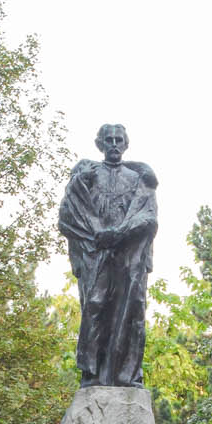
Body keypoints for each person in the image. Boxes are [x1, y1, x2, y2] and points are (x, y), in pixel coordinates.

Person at [58, 123, 158, 387]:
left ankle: (127, 374)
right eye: (109, 140)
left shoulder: (137, 179)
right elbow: (68, 215)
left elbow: (149, 217)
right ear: (100, 144)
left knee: (130, 311)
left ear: (126, 144)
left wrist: (120, 232)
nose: (114, 144)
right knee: (95, 306)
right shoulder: (88, 174)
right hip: (96, 253)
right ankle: (91, 372)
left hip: (128, 256)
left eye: (119, 140)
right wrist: (97, 235)